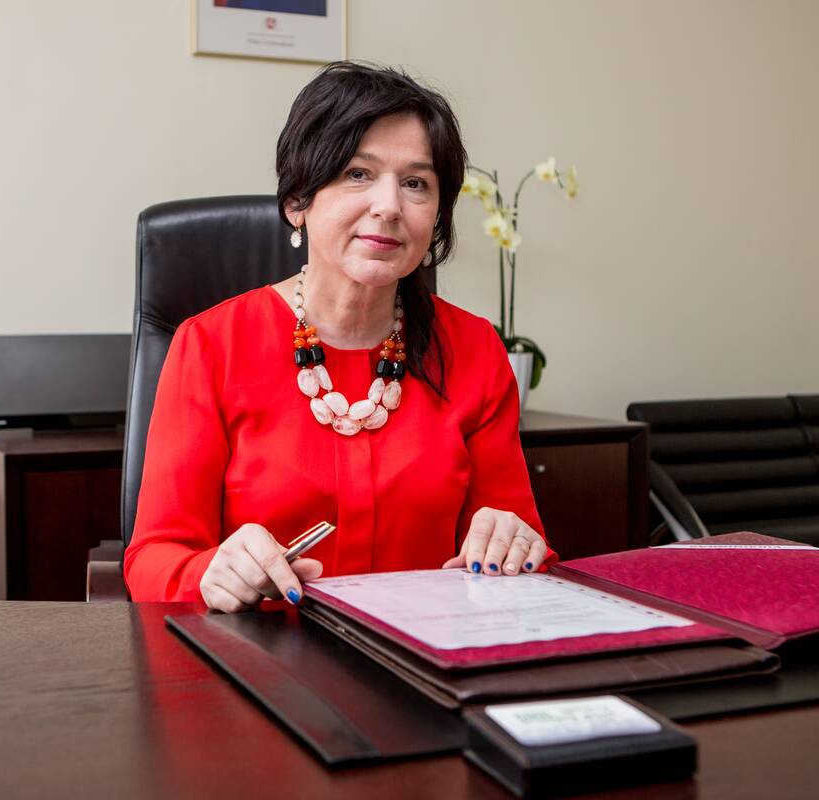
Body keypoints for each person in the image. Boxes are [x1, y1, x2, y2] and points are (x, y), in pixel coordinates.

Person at [124, 62, 554, 612]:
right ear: (297, 202)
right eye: (357, 173)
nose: (389, 206)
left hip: (427, 651)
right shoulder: (210, 346)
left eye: (416, 183)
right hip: (262, 651)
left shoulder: (474, 349)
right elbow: (154, 558)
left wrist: (516, 546)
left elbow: (522, 547)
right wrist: (210, 574)